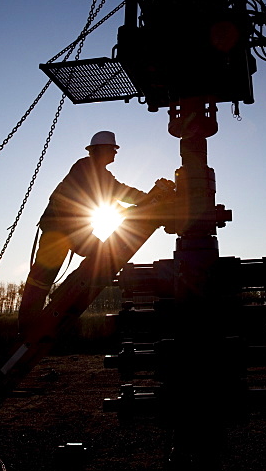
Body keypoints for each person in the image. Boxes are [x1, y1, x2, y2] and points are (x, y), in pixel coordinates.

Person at [19, 130, 171, 333]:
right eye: (113, 149)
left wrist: (144, 200)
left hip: (72, 230)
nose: (115, 153)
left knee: (101, 255)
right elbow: (114, 192)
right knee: (42, 277)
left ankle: (63, 294)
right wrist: (143, 202)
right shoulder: (86, 167)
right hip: (60, 229)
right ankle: (27, 325)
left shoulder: (97, 171)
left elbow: (116, 190)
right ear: (101, 150)